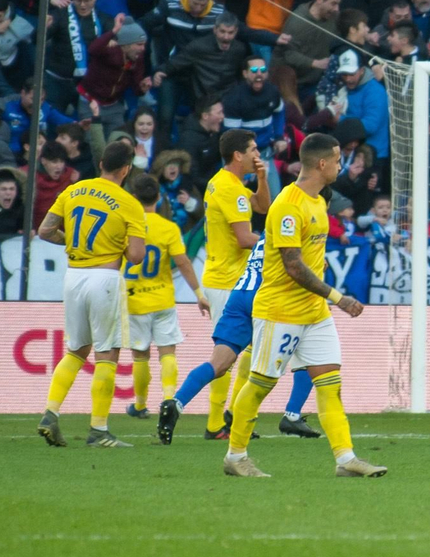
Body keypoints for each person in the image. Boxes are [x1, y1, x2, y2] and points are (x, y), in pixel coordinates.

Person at [222, 134, 383, 478]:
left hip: (314, 313)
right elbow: (293, 266)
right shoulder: (287, 206)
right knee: (261, 384)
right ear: (322, 164)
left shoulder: (319, 202)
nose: (340, 166)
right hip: (280, 310)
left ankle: (346, 459)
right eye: (338, 160)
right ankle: (235, 457)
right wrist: (339, 298)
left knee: (330, 382)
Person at [34, 140, 146, 449]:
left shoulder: (73, 191)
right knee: (107, 354)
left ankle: (50, 413)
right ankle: (98, 429)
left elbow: (44, 230)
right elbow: (136, 255)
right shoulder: (129, 203)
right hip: (105, 278)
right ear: (126, 169)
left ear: (100, 165)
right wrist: (117, 243)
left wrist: (72, 241)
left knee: (76, 350)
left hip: (73, 276)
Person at [160, 239, 320, 445]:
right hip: (266, 297)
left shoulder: (265, 234)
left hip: (240, 293)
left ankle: (176, 402)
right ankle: (291, 415)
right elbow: (296, 268)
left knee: (219, 363)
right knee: (308, 349)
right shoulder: (296, 229)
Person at [190, 129, 272, 438]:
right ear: (238, 155)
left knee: (245, 349)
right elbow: (243, 238)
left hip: (228, 277)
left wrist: (263, 179)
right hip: (227, 280)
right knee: (227, 354)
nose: (257, 154)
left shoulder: (226, 183)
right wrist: (277, 244)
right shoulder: (230, 189)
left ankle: (233, 415)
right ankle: (217, 422)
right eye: (253, 149)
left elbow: (262, 208)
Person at [122, 173, 210, 420]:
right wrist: (199, 294)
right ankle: (169, 400)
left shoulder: (125, 226)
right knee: (167, 353)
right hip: (162, 299)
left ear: (133, 198)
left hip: (134, 300)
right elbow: (182, 262)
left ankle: (140, 405)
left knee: (140, 356)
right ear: (159, 198)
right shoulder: (169, 228)